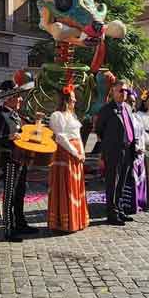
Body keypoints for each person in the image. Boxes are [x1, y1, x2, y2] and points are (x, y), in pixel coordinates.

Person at [0, 81, 35, 242]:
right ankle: (9, 229)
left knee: (20, 193)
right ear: (8, 99)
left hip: (21, 158)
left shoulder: (17, 115)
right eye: (17, 97)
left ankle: (20, 223)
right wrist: (8, 137)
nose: (20, 100)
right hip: (10, 160)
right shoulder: (0, 115)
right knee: (10, 195)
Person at [93, 80, 135, 226]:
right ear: (113, 92)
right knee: (113, 182)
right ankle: (111, 214)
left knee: (122, 182)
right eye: (120, 91)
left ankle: (119, 209)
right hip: (113, 151)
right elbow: (99, 130)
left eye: (126, 91)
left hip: (128, 149)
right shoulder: (106, 109)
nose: (124, 93)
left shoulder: (128, 108)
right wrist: (105, 150)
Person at [48, 87, 88, 233]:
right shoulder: (57, 115)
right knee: (66, 187)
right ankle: (65, 223)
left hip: (76, 154)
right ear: (65, 100)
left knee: (75, 186)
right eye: (72, 98)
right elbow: (61, 137)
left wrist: (82, 152)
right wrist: (74, 152)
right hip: (64, 154)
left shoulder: (73, 116)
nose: (75, 100)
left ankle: (77, 220)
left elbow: (78, 135)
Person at [124, 88, 148, 213]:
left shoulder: (137, 117)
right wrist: (135, 148)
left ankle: (140, 202)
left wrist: (143, 147)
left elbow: (142, 134)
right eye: (129, 101)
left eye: (133, 102)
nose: (132, 104)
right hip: (130, 152)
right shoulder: (123, 117)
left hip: (140, 152)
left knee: (141, 177)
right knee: (132, 179)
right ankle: (131, 205)